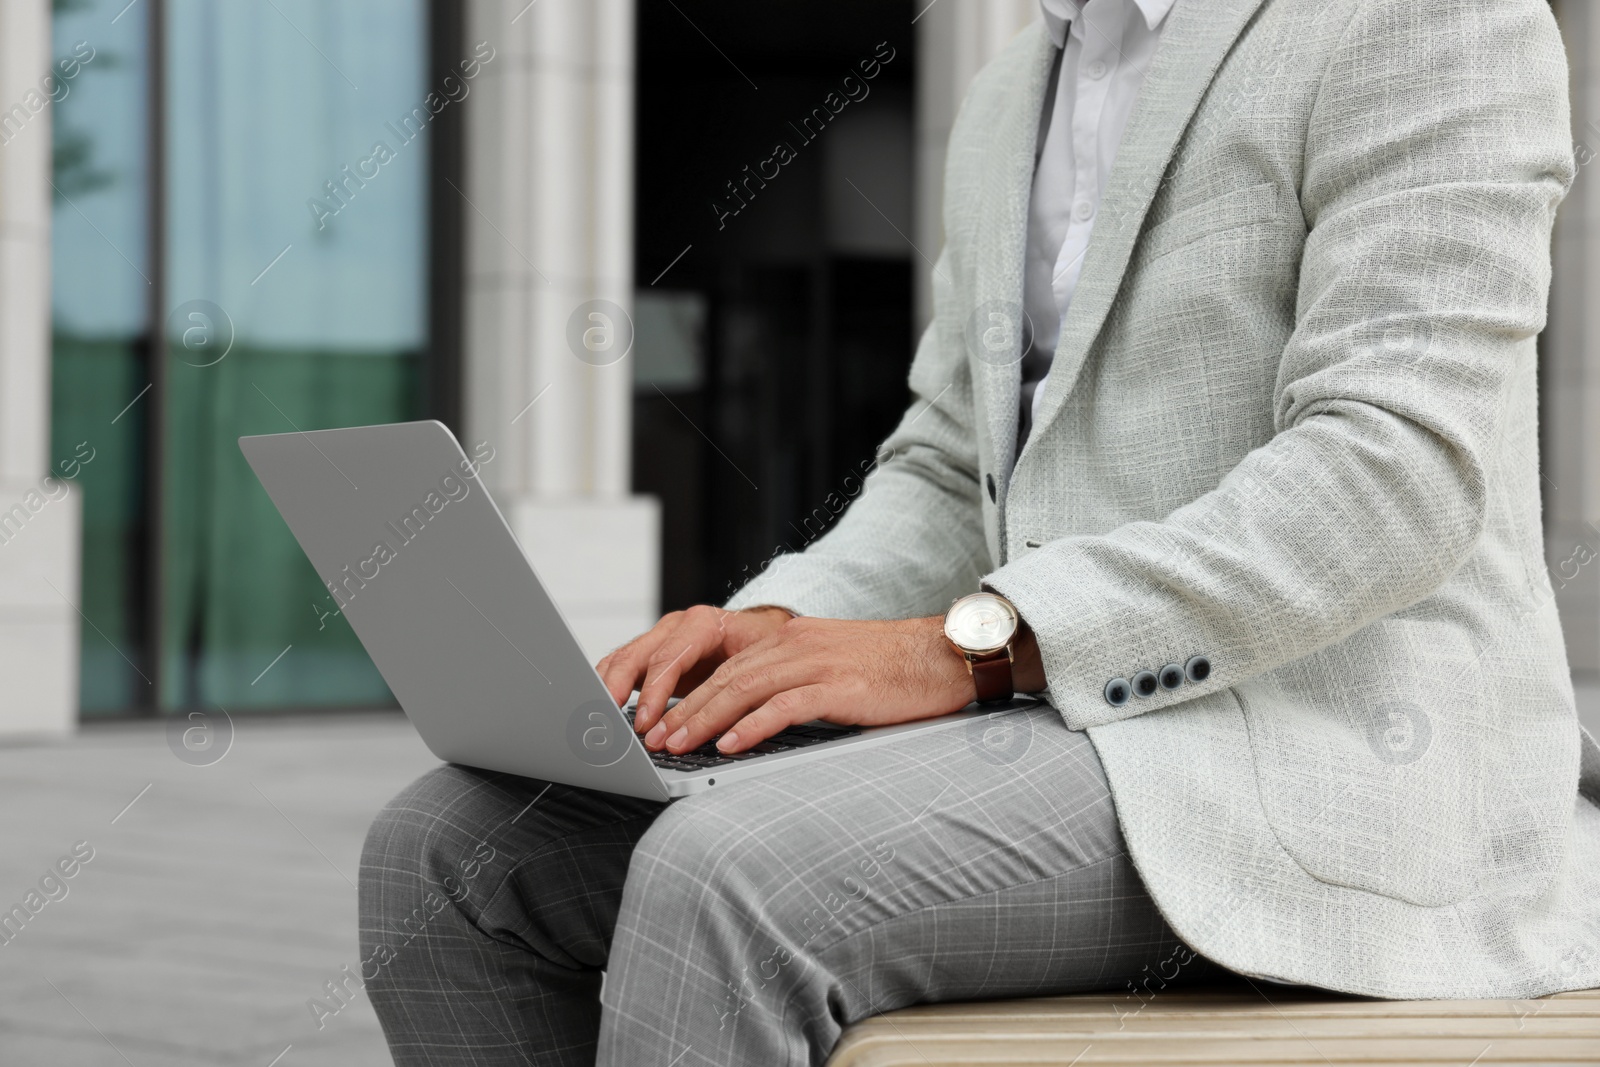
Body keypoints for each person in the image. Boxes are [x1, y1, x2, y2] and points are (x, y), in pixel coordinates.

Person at [359, 0, 1600, 1063]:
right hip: (1065, 726)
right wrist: (777, 620)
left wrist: (969, 646)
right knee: (454, 851)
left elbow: (1389, 475)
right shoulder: (1018, 83)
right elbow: (952, 463)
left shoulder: (1428, 17)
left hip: (1326, 755)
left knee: (735, 873)